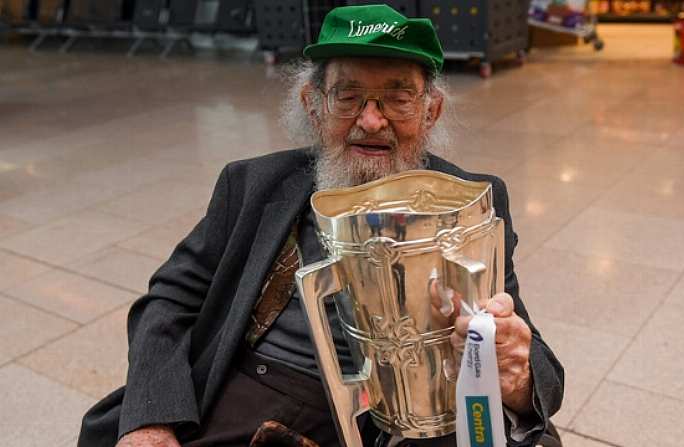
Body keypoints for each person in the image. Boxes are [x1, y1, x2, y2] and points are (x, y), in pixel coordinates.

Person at [78, 5, 564, 447]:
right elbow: (168, 299)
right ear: (314, 106)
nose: (372, 121)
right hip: (259, 386)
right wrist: (151, 422)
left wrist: (516, 374)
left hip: (407, 417)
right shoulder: (252, 184)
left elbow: (532, 358)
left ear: (430, 111)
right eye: (348, 96)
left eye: (398, 98)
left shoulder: (473, 200)